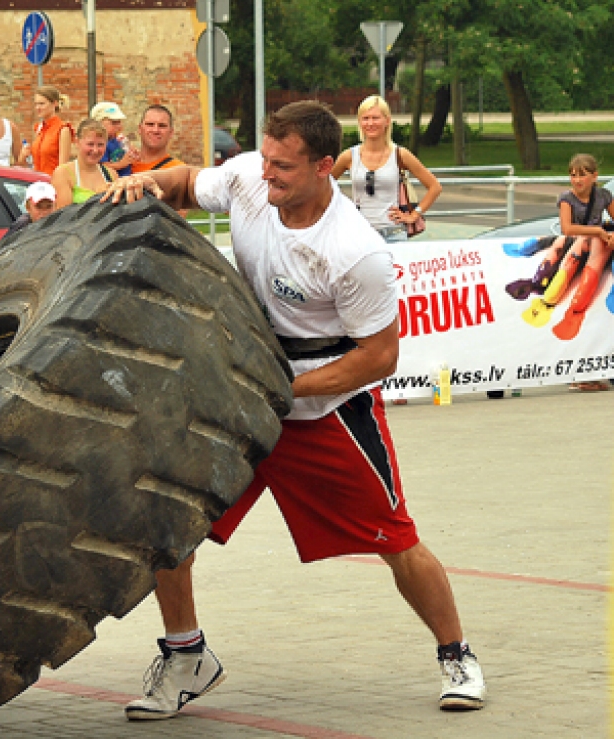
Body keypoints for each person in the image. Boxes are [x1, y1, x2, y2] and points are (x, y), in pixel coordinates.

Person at [104, 100, 487, 717]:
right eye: (268, 160)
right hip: (239, 403)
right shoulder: (250, 177)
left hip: (324, 412)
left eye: (284, 167)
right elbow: (181, 182)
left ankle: (456, 654)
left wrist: (285, 390)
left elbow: (378, 358)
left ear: (323, 167)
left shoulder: (354, 251)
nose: (268, 175)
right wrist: (145, 180)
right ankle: (185, 656)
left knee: (398, 542)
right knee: (167, 526)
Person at [522, 154, 614, 386]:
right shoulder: (566, 199)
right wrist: (598, 232)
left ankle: (571, 308)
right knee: (587, 240)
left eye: (582, 174)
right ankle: (560, 301)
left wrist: (608, 233)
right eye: (573, 175)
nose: (577, 180)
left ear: (595, 176)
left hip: (592, 243)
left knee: (596, 243)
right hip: (575, 242)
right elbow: (567, 227)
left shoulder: (604, 196)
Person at [331, 95, 442, 243]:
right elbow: (324, 185)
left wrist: (414, 215)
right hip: (361, 234)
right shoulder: (349, 156)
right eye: (365, 118)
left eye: (375, 118)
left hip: (393, 233)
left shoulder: (400, 154)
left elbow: (435, 187)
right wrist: (341, 212)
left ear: (387, 121)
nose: (370, 123)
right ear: (359, 122)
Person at [51, 119, 118, 208]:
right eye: (90, 144)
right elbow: (64, 218)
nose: (95, 150)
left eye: (100, 145)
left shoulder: (112, 175)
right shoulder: (63, 174)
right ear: (77, 142)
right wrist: (97, 198)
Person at [24, 85, 73, 176]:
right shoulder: (38, 128)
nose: (37, 108)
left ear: (55, 103)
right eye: (36, 104)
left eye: (42, 104)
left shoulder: (63, 129)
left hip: (52, 182)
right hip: (37, 182)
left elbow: (63, 167)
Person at [130, 105, 185, 174]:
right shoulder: (124, 165)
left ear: (171, 133)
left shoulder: (178, 171)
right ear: (140, 129)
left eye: (162, 126)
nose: (155, 130)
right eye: (150, 124)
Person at [91, 101, 138, 176]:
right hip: (113, 182)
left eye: (119, 122)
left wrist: (131, 152)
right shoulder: (100, 144)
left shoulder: (117, 140)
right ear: (98, 124)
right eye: (114, 123)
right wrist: (120, 164)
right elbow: (102, 167)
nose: (119, 126)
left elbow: (124, 153)